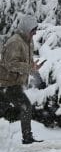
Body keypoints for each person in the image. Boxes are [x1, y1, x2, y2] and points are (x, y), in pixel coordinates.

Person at [0, 14, 42, 144]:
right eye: (33, 30)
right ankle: (27, 138)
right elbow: (10, 64)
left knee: (2, 109)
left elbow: (26, 61)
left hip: (14, 83)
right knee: (26, 106)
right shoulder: (15, 42)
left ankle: (26, 137)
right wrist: (30, 67)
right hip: (7, 83)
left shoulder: (28, 41)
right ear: (26, 28)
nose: (35, 33)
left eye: (35, 30)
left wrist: (34, 67)